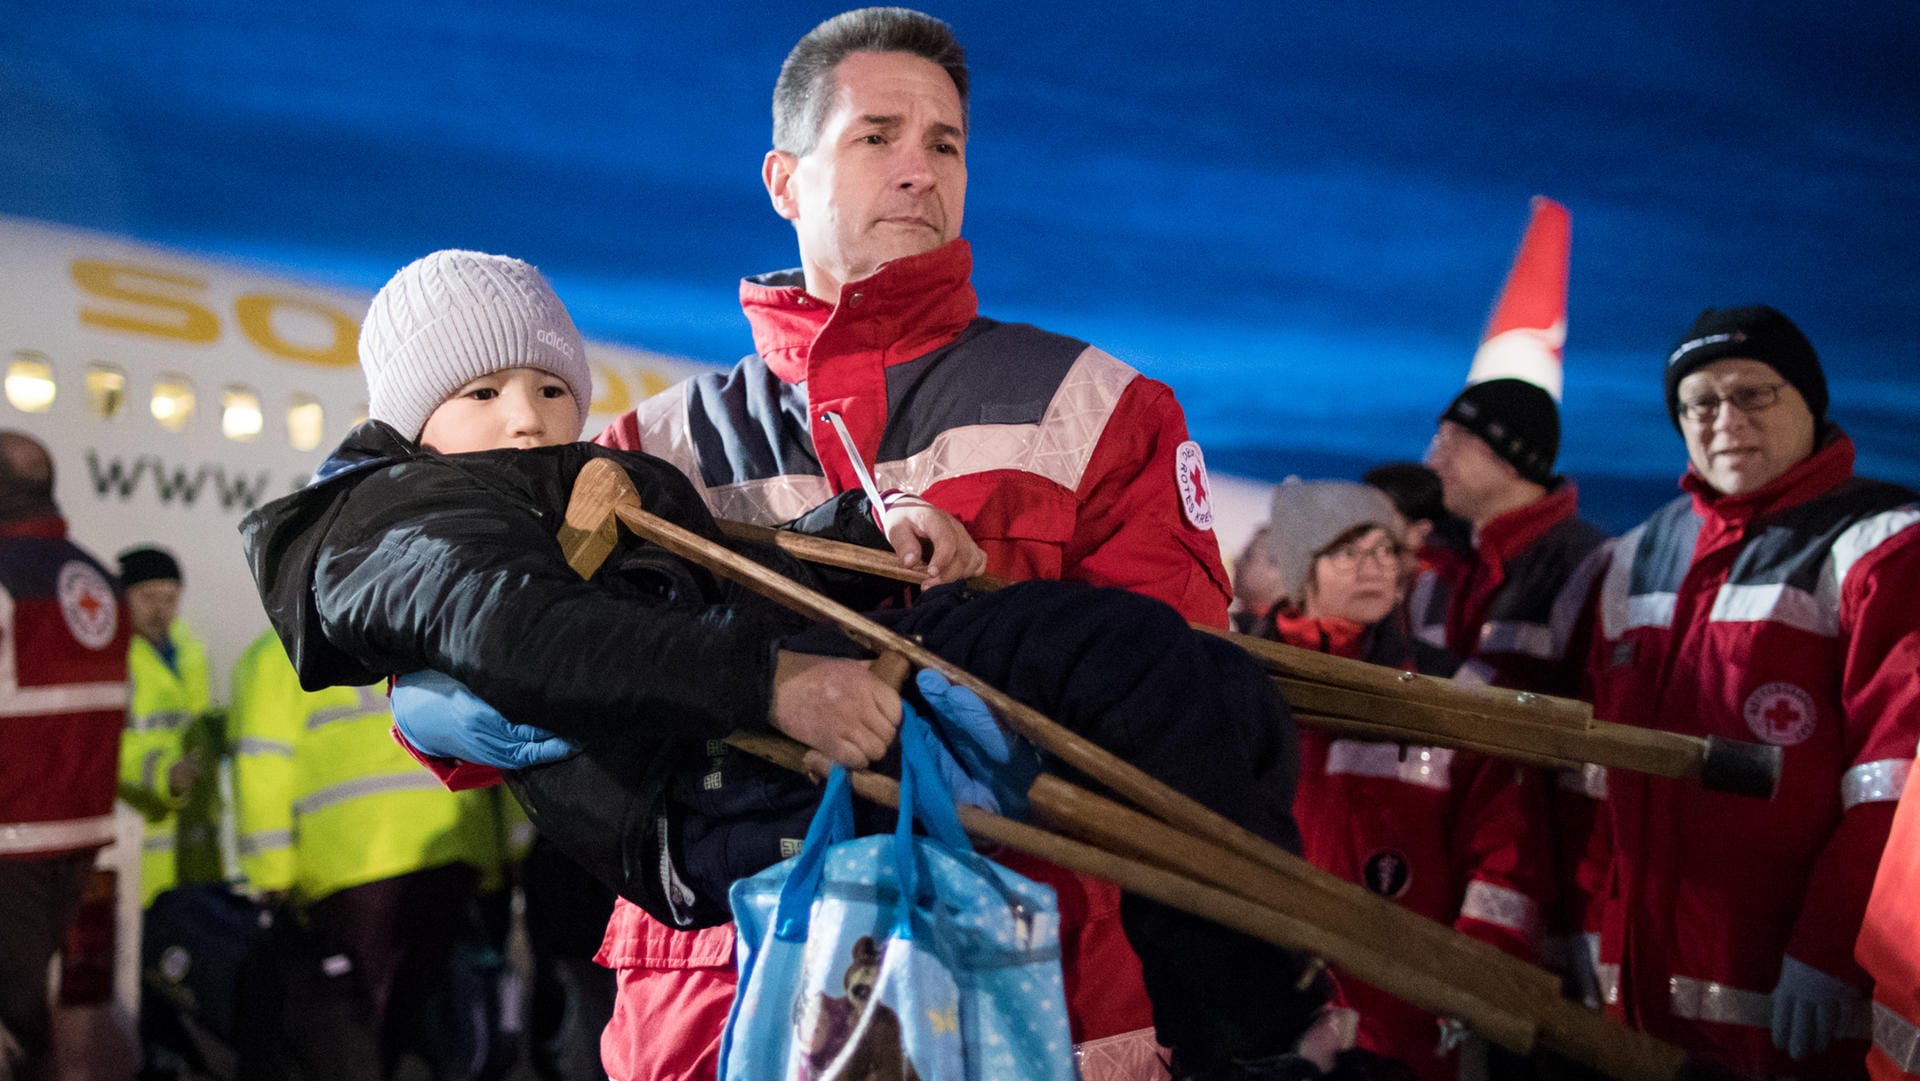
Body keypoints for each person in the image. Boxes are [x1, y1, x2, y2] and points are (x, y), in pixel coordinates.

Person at [241, 249, 1351, 1081]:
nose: (527, 419)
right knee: (1094, 694)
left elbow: (728, 566)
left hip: (762, 710)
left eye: (547, 388)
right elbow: (514, 632)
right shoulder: (391, 522)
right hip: (703, 790)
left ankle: (1254, 1002)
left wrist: (873, 539)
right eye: (481, 395)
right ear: (408, 416)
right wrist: (771, 685)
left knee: (1152, 664)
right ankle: (1250, 1027)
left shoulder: (575, 481)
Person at [576, 10, 1233, 1079]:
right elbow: (537, 701)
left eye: (946, 143)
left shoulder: (1102, 409)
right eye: (877, 136)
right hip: (716, 997)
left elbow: (1181, 703)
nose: (920, 171)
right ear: (783, 181)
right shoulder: (649, 450)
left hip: (1023, 988)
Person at [1580, 305, 1920, 1077]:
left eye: (1754, 393)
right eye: (1700, 402)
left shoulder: (1885, 544)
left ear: (1810, 402)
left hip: (1795, 1003)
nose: (1724, 418)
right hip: (1636, 996)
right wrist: (1592, 927)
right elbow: (1598, 771)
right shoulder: (1634, 557)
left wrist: (1830, 947)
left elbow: (1895, 783)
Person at [1256, 479, 1548, 1081]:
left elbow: (1508, 844)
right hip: (1263, 1000)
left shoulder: (1455, 694)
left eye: (1386, 550)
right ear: (1300, 567)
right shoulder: (1239, 682)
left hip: (1412, 1018)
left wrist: (1480, 965)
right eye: (1349, 552)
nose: (1375, 569)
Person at [228, 629, 510, 1079]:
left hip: (352, 862)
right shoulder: (428, 634)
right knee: (434, 1007)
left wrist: (271, 873)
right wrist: (495, 860)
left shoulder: (276, 655)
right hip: (450, 850)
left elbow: (263, 766)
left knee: (357, 1016)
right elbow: (489, 739)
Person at [1414, 376, 1606, 997]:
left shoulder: (1588, 565)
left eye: (1452, 441)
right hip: (1438, 855)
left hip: (1552, 874)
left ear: (1508, 455)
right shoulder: (1440, 562)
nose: (1431, 459)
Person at [0, 431, 131, 1081]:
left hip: (11, 829)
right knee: (29, 990)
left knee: (14, 1009)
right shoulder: (100, 577)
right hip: (79, 827)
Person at [114, 546, 220, 907]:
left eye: (170, 598)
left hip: (188, 837)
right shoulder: (113, 659)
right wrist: (163, 773)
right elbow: (105, 748)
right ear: (122, 597)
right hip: (135, 828)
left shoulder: (191, 652)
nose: (160, 610)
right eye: (147, 597)